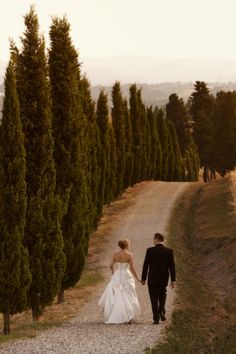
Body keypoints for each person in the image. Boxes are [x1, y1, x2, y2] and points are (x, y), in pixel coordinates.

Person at [98, 239, 141, 324]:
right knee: (129, 294)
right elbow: (132, 268)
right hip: (126, 275)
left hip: (117, 275)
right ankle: (128, 316)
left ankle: (114, 315)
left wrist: (114, 272)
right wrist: (138, 279)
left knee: (115, 295)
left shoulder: (115, 255)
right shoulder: (129, 255)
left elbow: (110, 266)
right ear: (127, 245)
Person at [141, 232, 176, 324]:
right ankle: (161, 311)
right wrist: (173, 280)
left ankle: (156, 319)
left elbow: (146, 266)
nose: (153, 241)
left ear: (156, 239)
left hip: (152, 279)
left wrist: (143, 278)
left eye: (153, 239)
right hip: (163, 279)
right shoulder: (169, 251)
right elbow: (172, 266)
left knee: (154, 299)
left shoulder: (150, 251)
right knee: (162, 296)